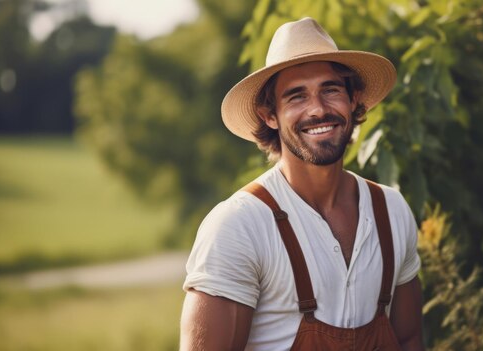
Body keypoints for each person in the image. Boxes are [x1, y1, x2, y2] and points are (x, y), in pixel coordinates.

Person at [180, 17, 425, 351]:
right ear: (270, 115)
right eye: (297, 97)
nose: (318, 109)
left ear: (353, 100)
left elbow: (409, 340)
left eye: (331, 90)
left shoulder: (392, 211)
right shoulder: (239, 226)